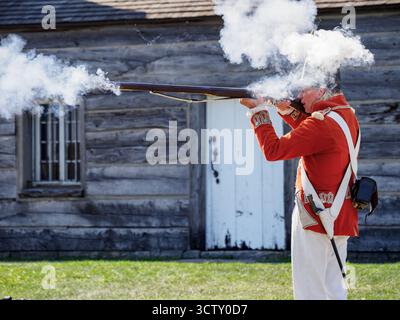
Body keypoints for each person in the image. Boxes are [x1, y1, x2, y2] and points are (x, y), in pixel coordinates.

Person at [240, 86, 360, 300]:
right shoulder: (345, 114)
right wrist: (288, 110)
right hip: (340, 215)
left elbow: (273, 150)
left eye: (304, 91)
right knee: (333, 289)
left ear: (321, 89)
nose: (299, 97)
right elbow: (314, 135)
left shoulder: (322, 123)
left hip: (315, 217)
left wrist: (258, 112)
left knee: (309, 291)